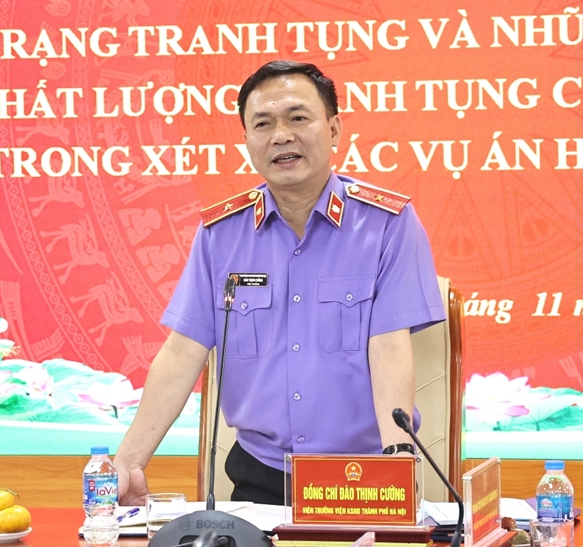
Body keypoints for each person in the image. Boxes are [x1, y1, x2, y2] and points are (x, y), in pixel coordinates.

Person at [114, 60, 445, 505]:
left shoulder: (387, 224)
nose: (281, 135)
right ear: (247, 140)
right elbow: (182, 352)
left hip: (361, 475)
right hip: (260, 475)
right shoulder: (221, 235)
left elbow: (389, 345)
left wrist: (396, 462)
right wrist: (126, 466)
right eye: (263, 123)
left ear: (334, 129)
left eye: (298, 118)